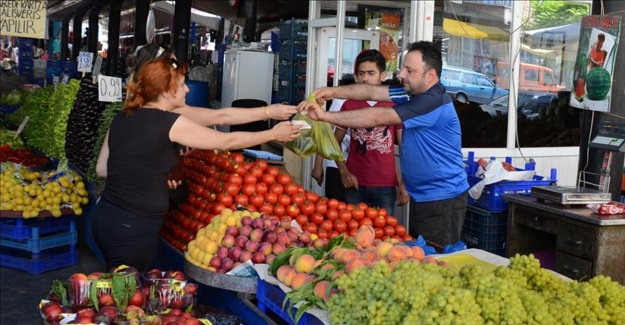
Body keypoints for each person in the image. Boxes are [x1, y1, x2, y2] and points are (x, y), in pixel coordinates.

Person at [93, 56, 302, 271]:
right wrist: (272, 133)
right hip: (133, 228)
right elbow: (226, 140)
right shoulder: (170, 123)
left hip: (108, 217)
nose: (187, 90)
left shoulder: (123, 116)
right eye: (182, 84)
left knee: (118, 286)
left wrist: (269, 112)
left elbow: (102, 168)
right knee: (126, 295)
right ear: (165, 91)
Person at [298, 41, 469, 247]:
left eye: (409, 70)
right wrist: (333, 92)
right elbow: (371, 93)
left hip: (442, 199)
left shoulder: (431, 102)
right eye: (403, 68)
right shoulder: (411, 94)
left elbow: (378, 117)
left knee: (438, 262)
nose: (402, 74)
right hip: (427, 197)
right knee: (422, 256)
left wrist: (326, 116)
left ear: (430, 76)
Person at [325, 49, 407, 215]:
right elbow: (334, 142)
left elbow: (405, 147)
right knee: (353, 234)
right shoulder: (349, 104)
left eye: (371, 73)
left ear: (382, 75)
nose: (365, 78)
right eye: (361, 73)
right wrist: (343, 171)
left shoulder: (395, 105)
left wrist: (404, 182)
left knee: (384, 235)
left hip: (386, 183)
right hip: (355, 183)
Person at [311, 98, 350, 201]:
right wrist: (318, 164)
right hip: (335, 165)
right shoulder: (341, 101)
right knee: (334, 207)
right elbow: (326, 132)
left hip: (359, 168)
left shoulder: (380, 100)